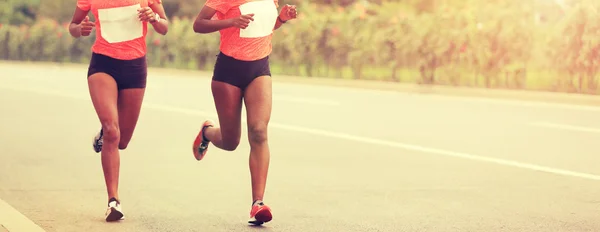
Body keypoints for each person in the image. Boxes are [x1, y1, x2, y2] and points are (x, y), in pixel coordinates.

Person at [191, 0, 298, 226]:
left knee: (259, 131)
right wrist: (231, 22)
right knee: (231, 142)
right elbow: (198, 24)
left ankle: (257, 203)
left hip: (259, 68)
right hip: (228, 70)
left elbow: (264, 27)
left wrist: (282, 19)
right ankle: (207, 132)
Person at [68, 0, 169, 222]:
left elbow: (164, 26)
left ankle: (106, 133)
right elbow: (73, 26)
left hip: (135, 67)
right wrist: (80, 29)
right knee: (113, 131)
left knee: (121, 141)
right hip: (103, 64)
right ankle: (113, 201)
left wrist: (154, 18)